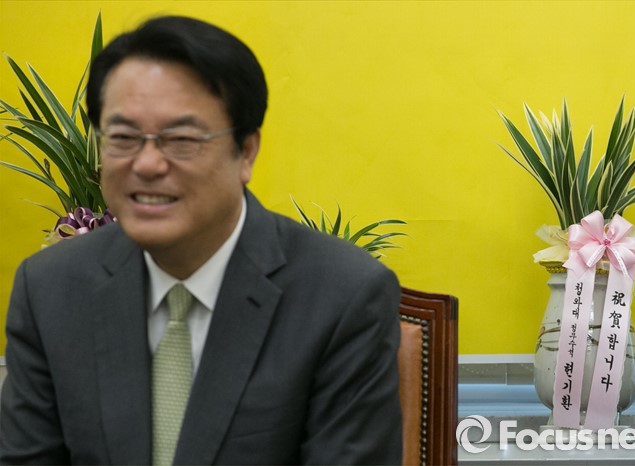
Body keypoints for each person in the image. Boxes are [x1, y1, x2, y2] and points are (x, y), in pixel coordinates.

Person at [0, 16, 402, 465]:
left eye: (181, 139)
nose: (147, 164)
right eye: (124, 137)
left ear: (246, 151)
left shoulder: (343, 296)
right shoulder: (51, 288)